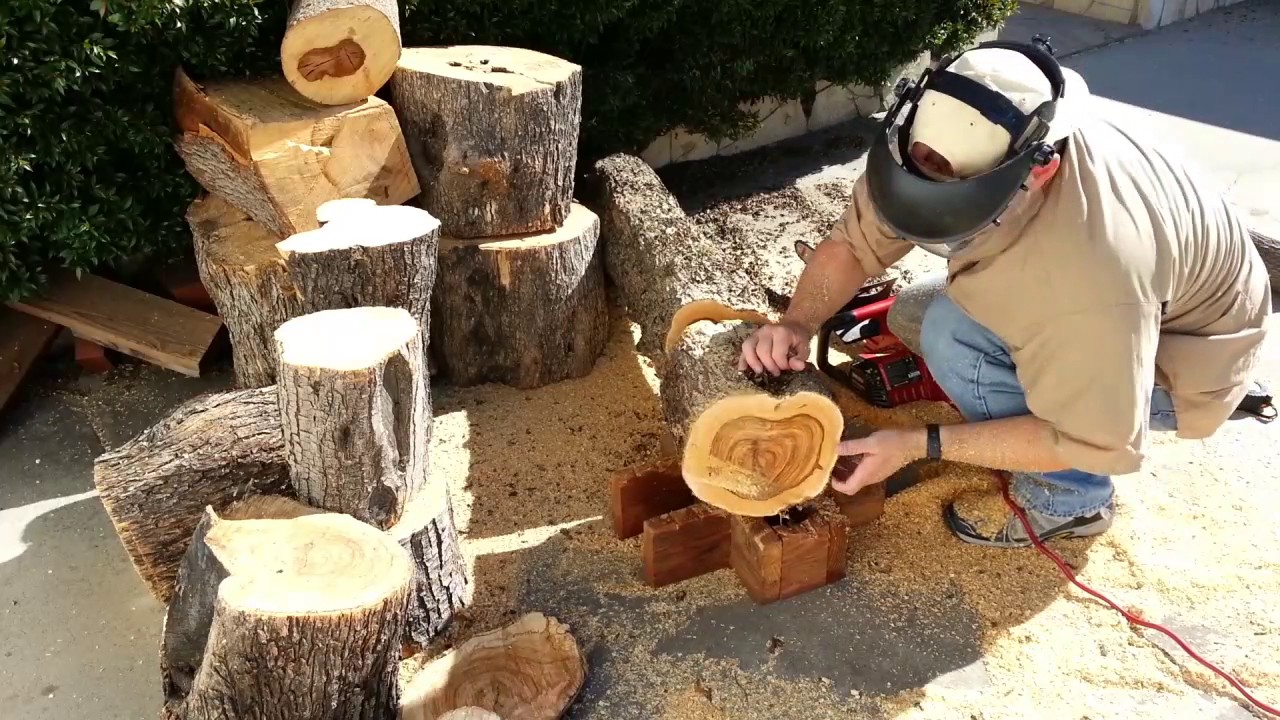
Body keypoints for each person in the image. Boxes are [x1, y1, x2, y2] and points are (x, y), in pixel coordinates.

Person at [738, 38, 1273, 548]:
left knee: (951, 336)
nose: (930, 224)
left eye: (955, 212)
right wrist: (798, 323)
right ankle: (1003, 394)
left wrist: (917, 443)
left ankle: (1073, 502)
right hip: (1145, 306)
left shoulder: (1086, 274)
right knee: (915, 314)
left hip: (1183, 365)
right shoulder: (964, 138)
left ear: (1039, 171)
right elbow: (854, 245)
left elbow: (1089, 437)